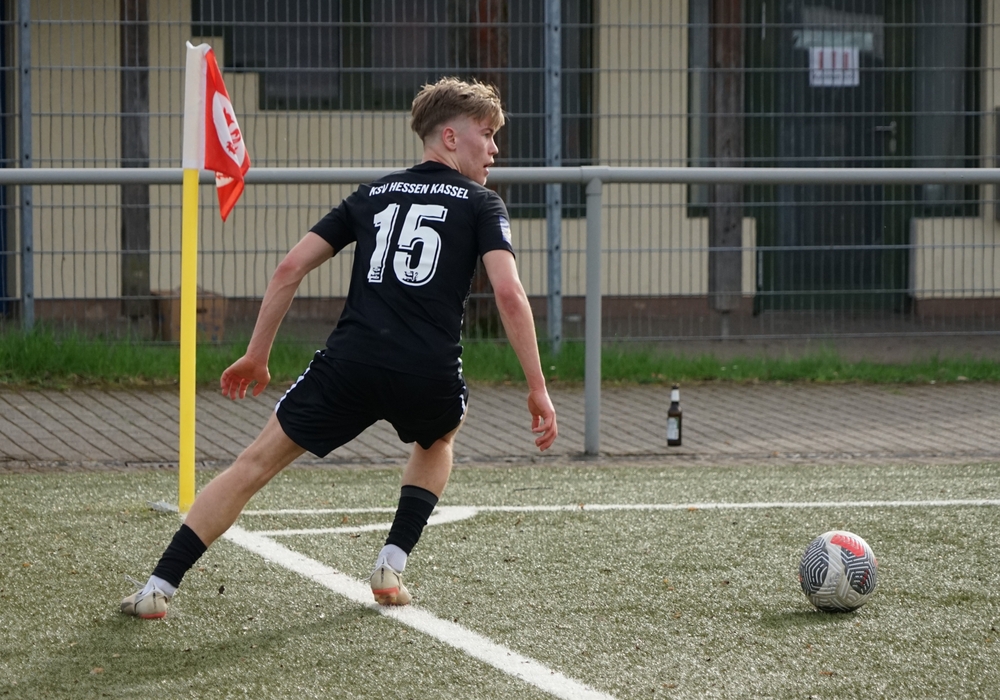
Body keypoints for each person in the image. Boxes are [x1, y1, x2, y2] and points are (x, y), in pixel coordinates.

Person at [121, 77, 558, 619]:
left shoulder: (371, 194)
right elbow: (509, 294)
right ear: (450, 137)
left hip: (350, 364)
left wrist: (257, 354)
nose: (494, 149)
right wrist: (537, 387)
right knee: (438, 437)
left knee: (252, 464)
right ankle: (390, 563)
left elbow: (289, 267)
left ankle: (158, 587)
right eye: (487, 134)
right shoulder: (482, 203)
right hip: (427, 372)